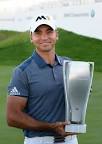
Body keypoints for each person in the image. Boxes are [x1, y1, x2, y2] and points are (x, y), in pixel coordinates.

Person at [6, 14, 78, 144]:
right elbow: (12, 117)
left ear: (56, 35)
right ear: (31, 38)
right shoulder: (22, 71)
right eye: (38, 33)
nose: (44, 37)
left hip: (70, 140)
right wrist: (50, 127)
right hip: (39, 141)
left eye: (49, 32)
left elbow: (78, 99)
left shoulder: (70, 65)